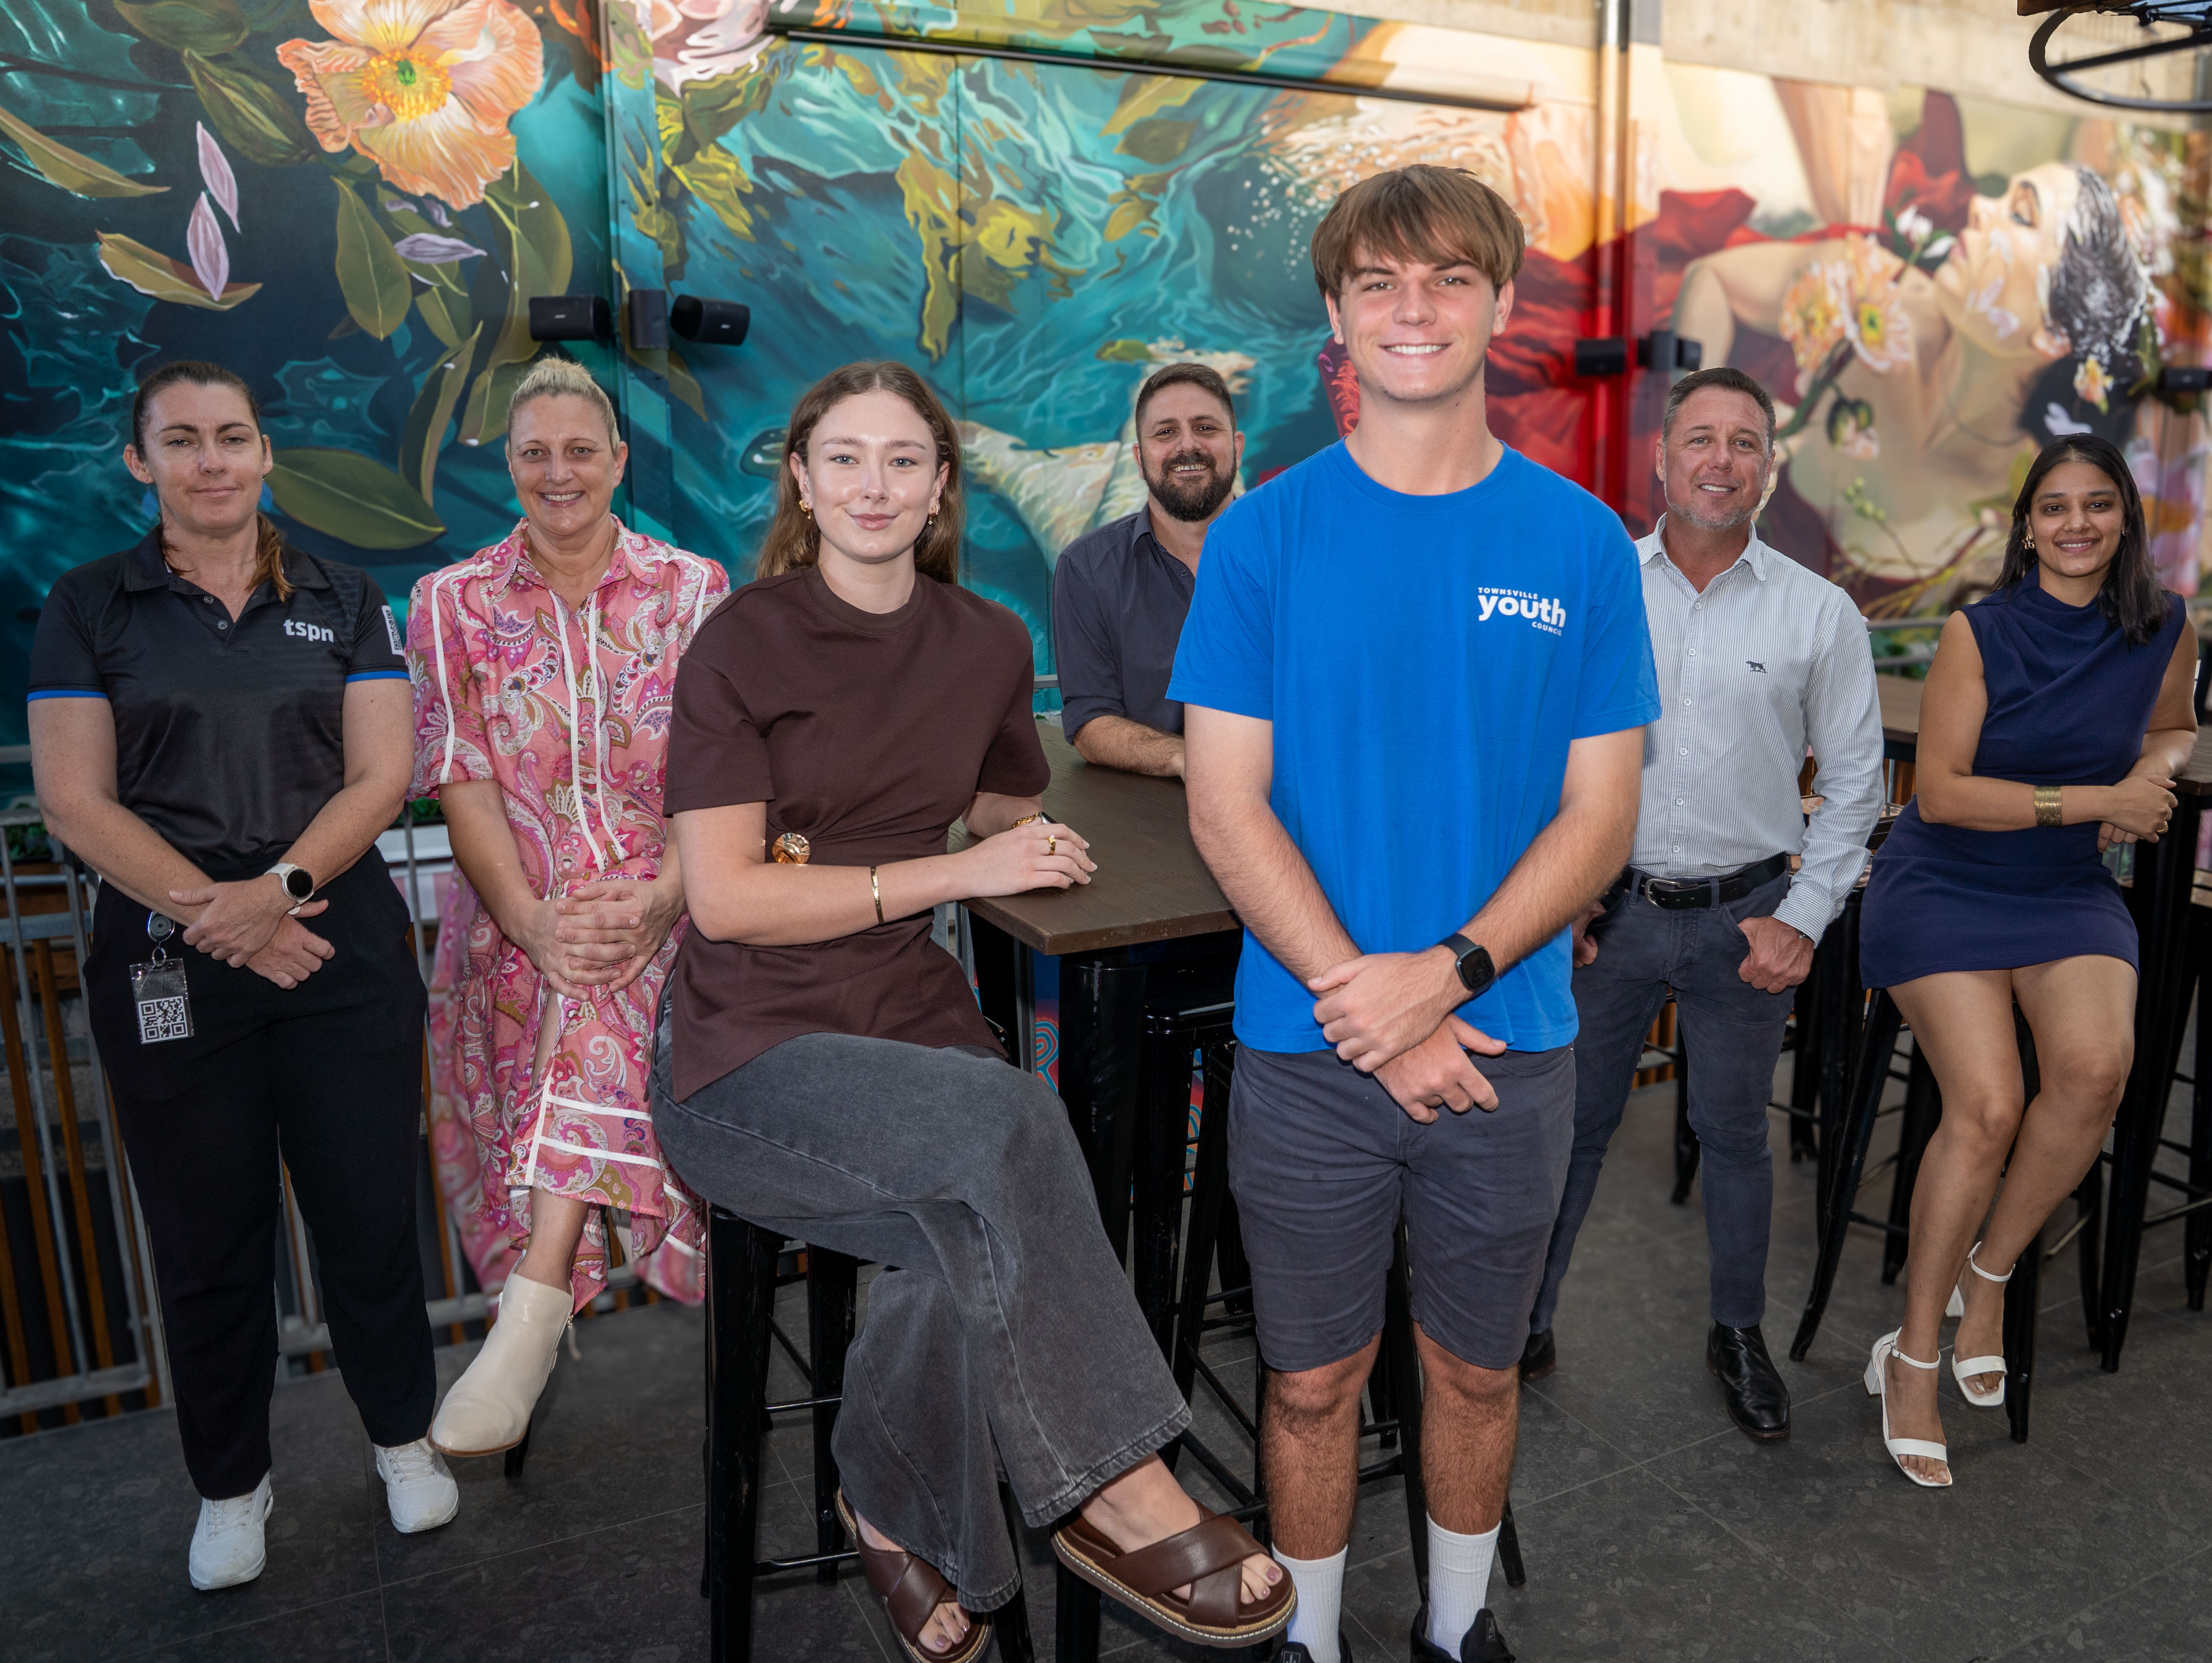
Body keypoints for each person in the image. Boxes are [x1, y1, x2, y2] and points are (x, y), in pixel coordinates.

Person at [652, 360, 1294, 1662]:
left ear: (943, 486)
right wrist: (959, 869)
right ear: (801, 480)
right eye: (843, 458)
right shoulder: (740, 640)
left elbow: (1001, 790)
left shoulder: (989, 639)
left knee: (975, 1233)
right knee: (1012, 1130)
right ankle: (1119, 1484)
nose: (873, 485)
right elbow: (722, 899)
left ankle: (883, 1504)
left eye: (902, 460)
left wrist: (1033, 833)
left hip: (908, 1016)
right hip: (748, 1053)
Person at [1173, 166, 1658, 1663]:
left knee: (1475, 1368)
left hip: (1504, 1043)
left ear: (1500, 304)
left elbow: (1599, 816)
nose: (1412, 308)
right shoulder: (1262, 538)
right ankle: (1308, 1640)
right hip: (1310, 1054)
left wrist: (1442, 976)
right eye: (1378, 282)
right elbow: (1223, 804)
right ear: (1334, 314)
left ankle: (1455, 1629)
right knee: (1313, 1380)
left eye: (1447, 277)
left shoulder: (1578, 546)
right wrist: (1369, 1007)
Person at [27, 361, 457, 1590]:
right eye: (181, 440)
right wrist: (219, 914)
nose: (209, 460)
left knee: (369, 1217)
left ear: (266, 453)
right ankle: (231, 1484)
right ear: (140, 460)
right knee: (209, 1241)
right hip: (170, 958)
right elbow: (71, 797)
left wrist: (276, 896)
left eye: (231, 437)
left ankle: (401, 1438)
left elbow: (380, 777)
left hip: (335, 946)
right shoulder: (89, 603)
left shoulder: (343, 590)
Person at [1526, 366, 1885, 1439]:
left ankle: (1737, 1330)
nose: (1720, 459)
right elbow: (1540, 750)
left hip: (1747, 918)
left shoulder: (1819, 611)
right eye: (1699, 439)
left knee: (1732, 1133)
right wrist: (1559, 895)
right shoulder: (1600, 584)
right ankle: (1521, 1322)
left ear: (1767, 466)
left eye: (1743, 442)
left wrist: (1802, 916)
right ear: (1660, 456)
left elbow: (1859, 782)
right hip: (1604, 915)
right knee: (1569, 1128)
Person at [1857, 433, 2196, 1488]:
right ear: (2026, 524)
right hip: (1945, 880)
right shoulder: (1980, 628)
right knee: (1989, 1104)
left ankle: (1990, 1271)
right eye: (2053, 507)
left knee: (2096, 1068)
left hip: (2060, 888)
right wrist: (2102, 801)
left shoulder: (2162, 622)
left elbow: (2176, 726)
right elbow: (1944, 790)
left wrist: (2153, 772)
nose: (2076, 524)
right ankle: (1913, 1354)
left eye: (2097, 504)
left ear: (2124, 519)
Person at [407, 358, 729, 1458]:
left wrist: (658, 899)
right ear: (508, 464)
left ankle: (535, 1304)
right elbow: (464, 783)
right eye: (535, 452)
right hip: (516, 934)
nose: (559, 472)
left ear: (618, 462)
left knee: (610, 961)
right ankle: (541, 1296)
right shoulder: (449, 604)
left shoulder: (693, 591)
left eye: (580, 450)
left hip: (681, 912)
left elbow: (719, 781)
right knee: (584, 960)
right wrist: (540, 924)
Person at [1674, 161, 2150, 594]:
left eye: (2021, 215)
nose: (1981, 206)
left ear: (2053, 333)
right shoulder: (1874, 293)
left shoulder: (2021, 506)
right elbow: (1711, 279)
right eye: (2000, 194)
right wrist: (1704, 447)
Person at [1052, 361, 1245, 778]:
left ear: (1238, 447)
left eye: (1206, 428)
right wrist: (1186, 758)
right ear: (1140, 459)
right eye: (1166, 432)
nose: (1187, 446)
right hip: (1150, 820)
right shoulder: (1086, 569)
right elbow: (1090, 721)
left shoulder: (1297, 556)